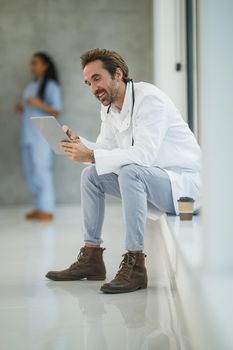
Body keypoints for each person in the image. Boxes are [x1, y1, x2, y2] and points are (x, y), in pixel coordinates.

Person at [46, 48, 201, 293]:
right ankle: (92, 258)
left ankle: (136, 263)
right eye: (88, 83)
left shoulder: (150, 99)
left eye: (97, 79)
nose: (93, 89)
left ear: (117, 74)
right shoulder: (108, 108)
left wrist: (93, 155)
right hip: (152, 180)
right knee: (91, 176)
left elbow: (143, 156)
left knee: (131, 171)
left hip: (182, 187)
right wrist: (80, 144)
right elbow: (105, 151)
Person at [15, 52, 62, 221]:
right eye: (31, 63)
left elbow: (56, 110)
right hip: (27, 134)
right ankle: (39, 206)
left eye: (35, 63)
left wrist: (38, 104)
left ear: (45, 65)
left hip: (41, 135)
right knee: (30, 171)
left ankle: (47, 209)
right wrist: (22, 108)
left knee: (41, 170)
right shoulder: (30, 86)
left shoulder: (51, 86)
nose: (32, 66)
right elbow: (29, 106)